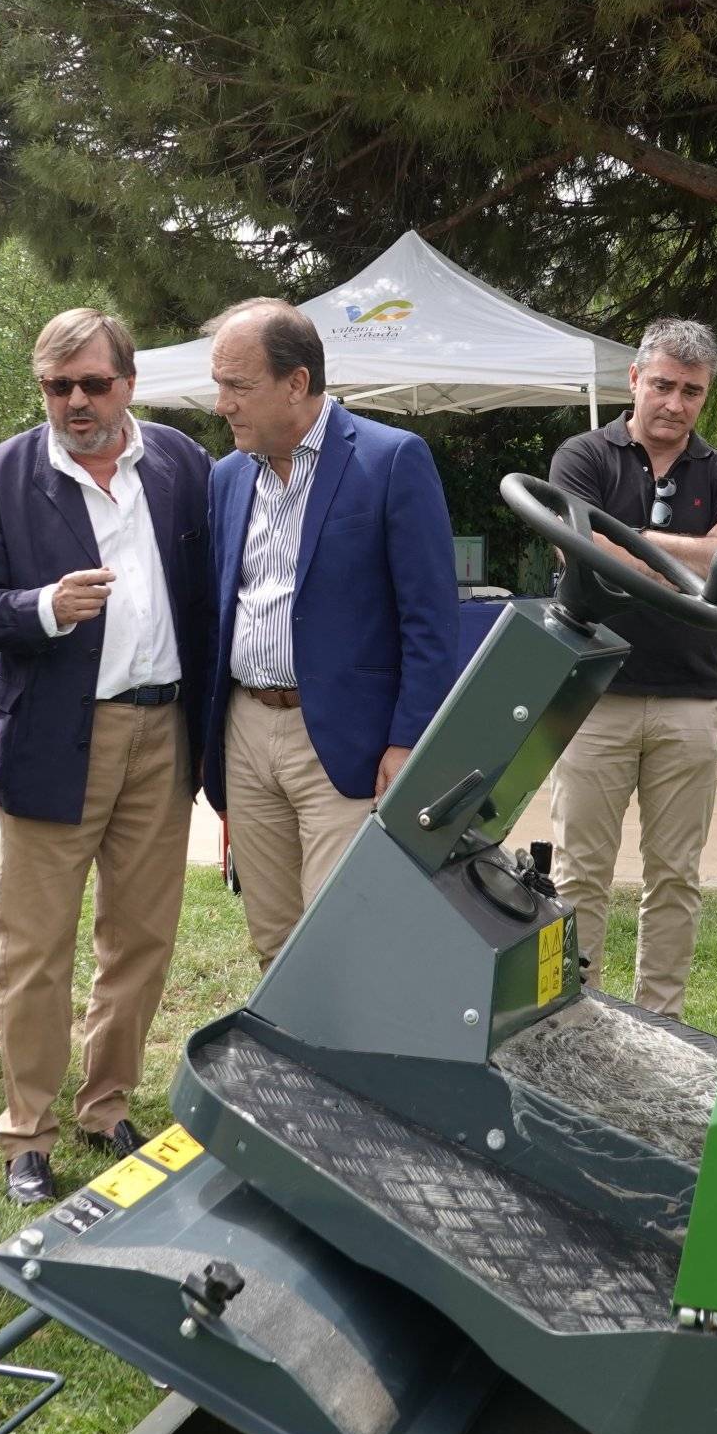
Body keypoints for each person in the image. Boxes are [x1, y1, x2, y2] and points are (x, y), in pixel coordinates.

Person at [0, 308, 213, 1207]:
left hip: (161, 734)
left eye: (93, 383)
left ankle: (106, 1106)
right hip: (58, 736)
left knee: (140, 938)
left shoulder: (179, 463)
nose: (75, 402)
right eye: (57, 387)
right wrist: (46, 608)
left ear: (128, 383)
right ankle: (26, 1132)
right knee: (37, 950)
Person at [205, 299, 458, 966]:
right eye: (218, 384)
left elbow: (431, 621)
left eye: (237, 385)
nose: (221, 403)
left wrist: (408, 740)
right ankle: (286, 1070)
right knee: (274, 937)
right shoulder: (227, 477)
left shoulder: (391, 459)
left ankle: (348, 1071)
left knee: (341, 939)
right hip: (246, 729)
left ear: (296, 382)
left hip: (346, 739)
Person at [546, 318, 717, 1017]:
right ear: (635, 379)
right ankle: (571, 1017)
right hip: (592, 690)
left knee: (674, 876)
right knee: (580, 873)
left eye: (692, 391)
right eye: (663, 384)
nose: (675, 402)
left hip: (690, 699)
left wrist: (633, 543)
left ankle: (659, 1023)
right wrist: (696, 552)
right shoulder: (584, 456)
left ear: (706, 395)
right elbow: (576, 552)